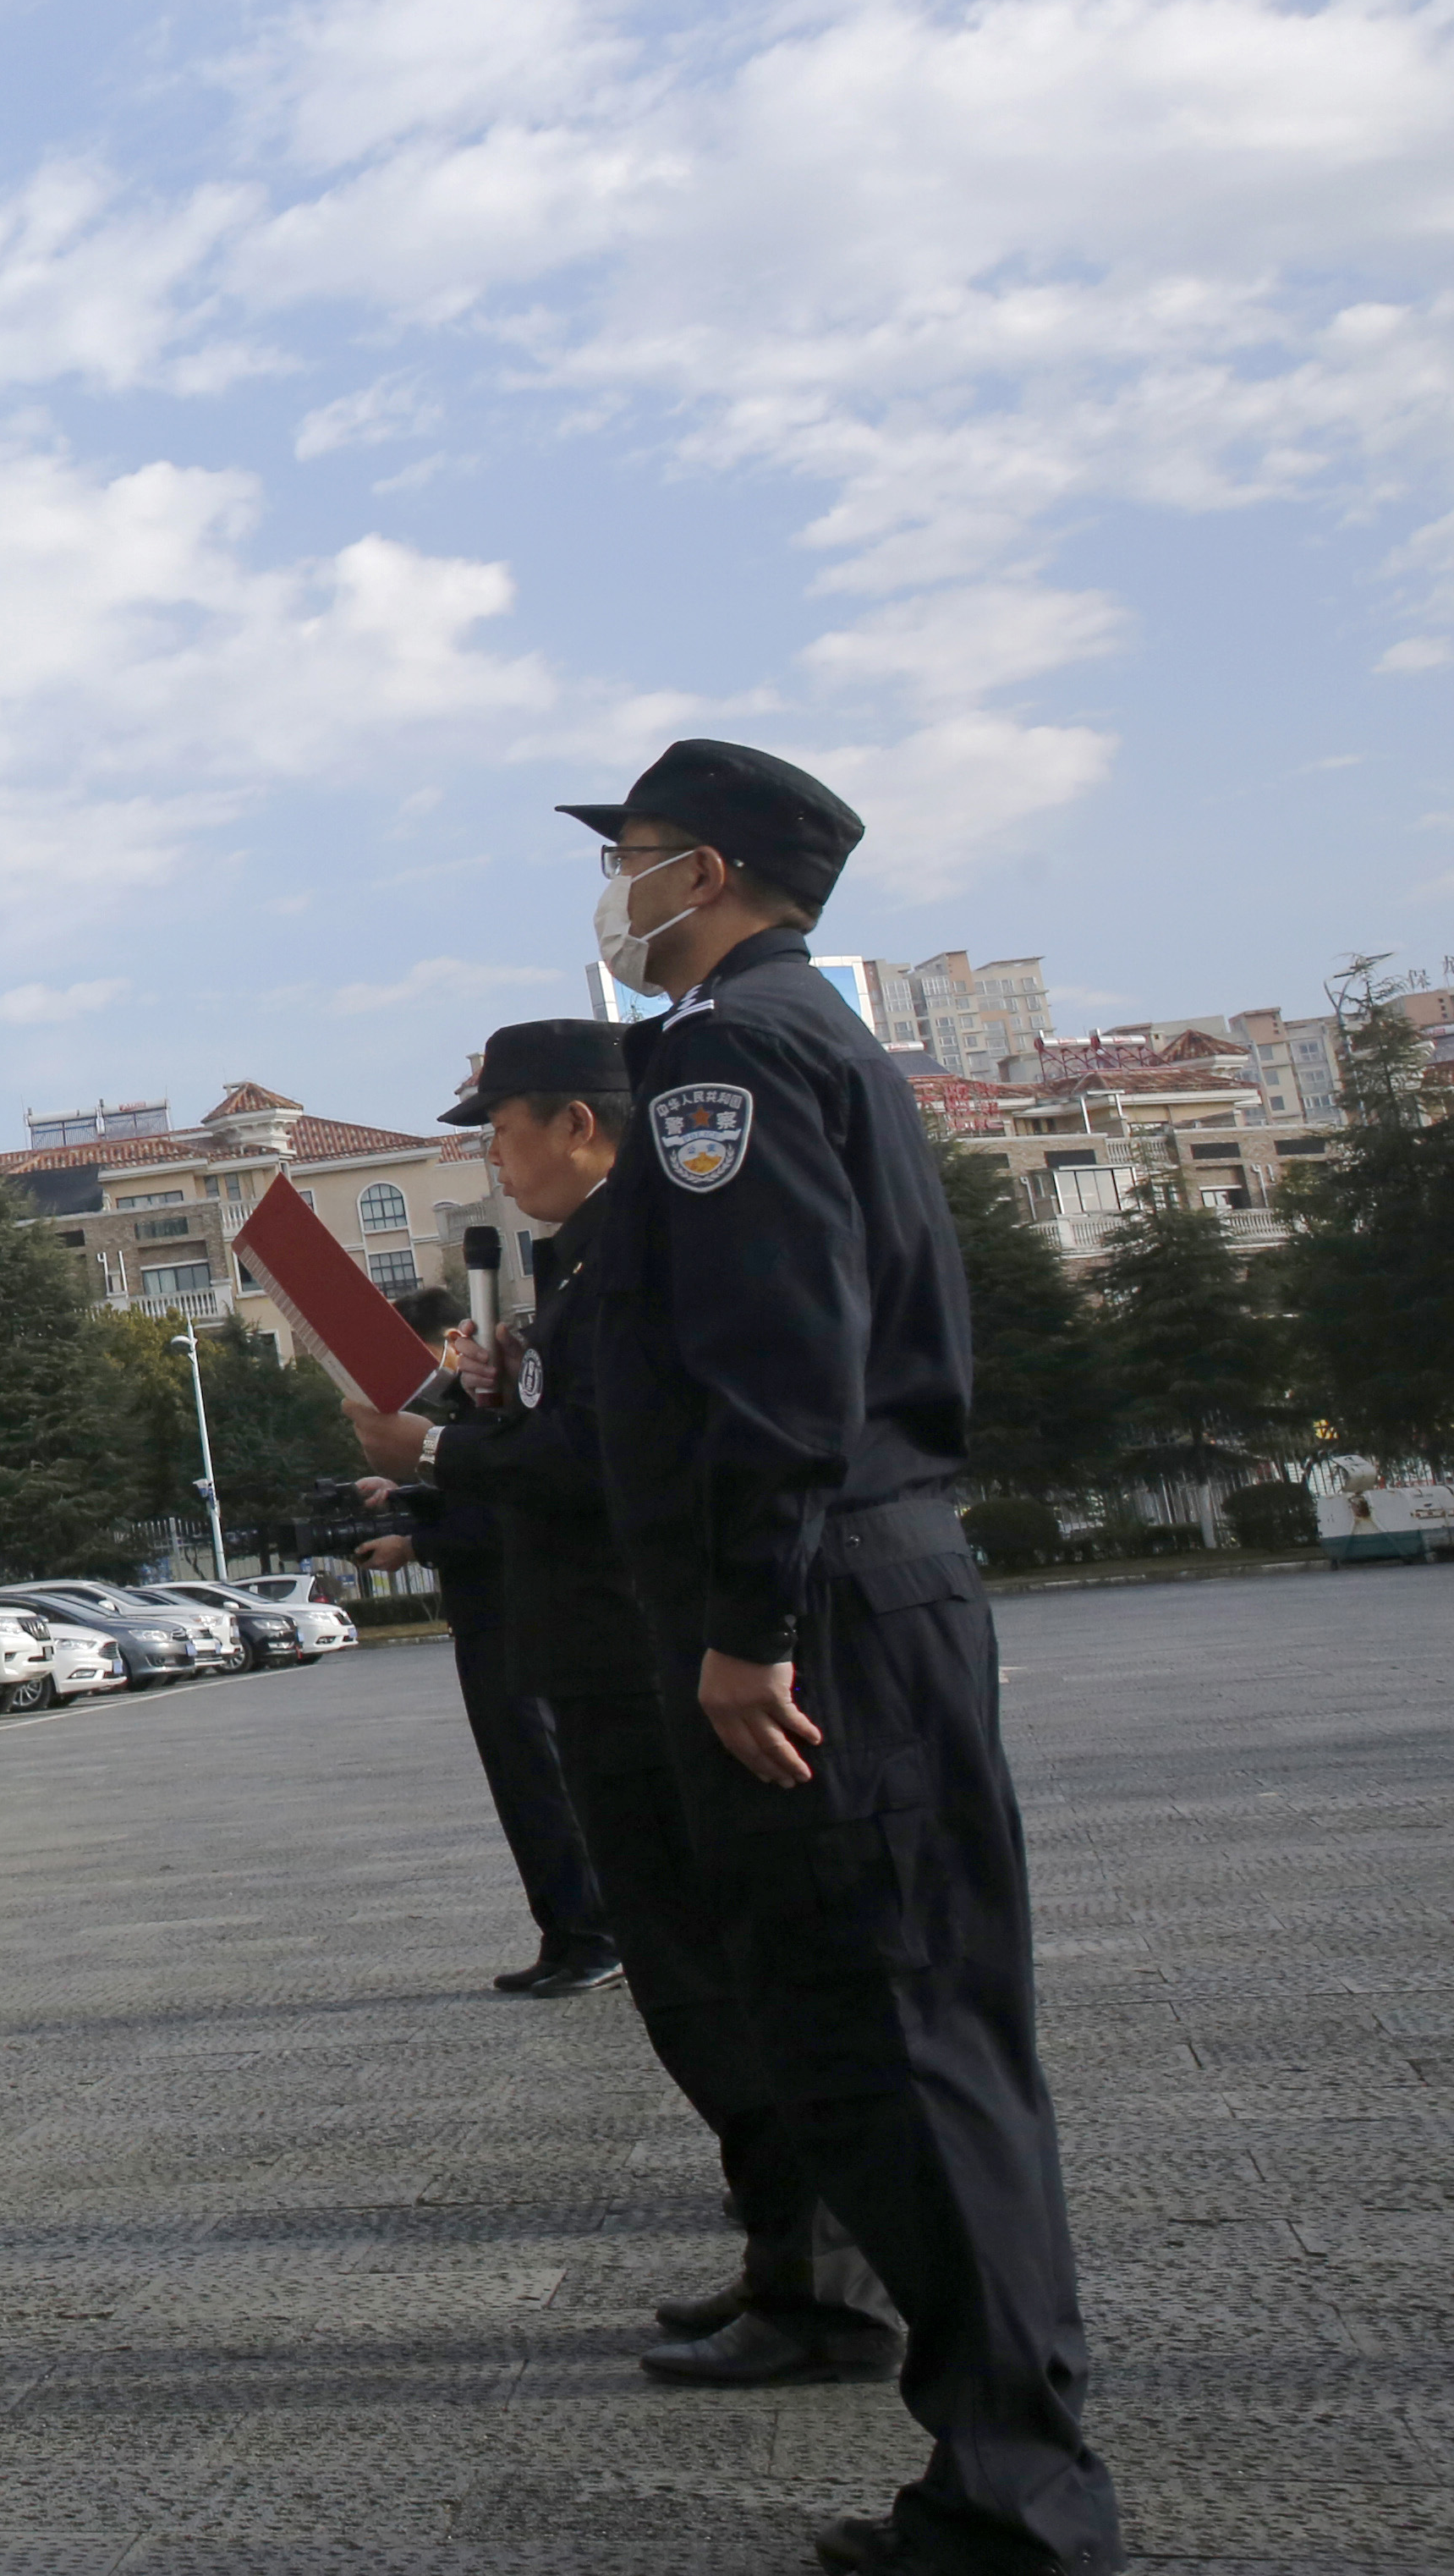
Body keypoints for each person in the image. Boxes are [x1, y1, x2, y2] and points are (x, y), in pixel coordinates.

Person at [565, 738, 1123, 2576]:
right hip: (875, 1593)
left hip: (814, 1625)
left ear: (703, 870)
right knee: (934, 2041)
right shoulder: (811, 1041)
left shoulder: (728, 1054)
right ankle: (1007, 2471)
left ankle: (1020, 2504)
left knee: (889, 2041)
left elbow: (779, 1367)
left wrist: (744, 1630)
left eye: (631, 858)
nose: (615, 893)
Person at [399, 1019, 899, 2394]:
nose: (492, 1162)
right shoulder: (585, 1260)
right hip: (614, 1659)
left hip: (649, 1658)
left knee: (729, 1981)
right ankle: (785, 2260)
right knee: (691, 1981)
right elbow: (584, 1430)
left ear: (577, 1121)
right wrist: (499, 1405)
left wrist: (441, 1445)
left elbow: (611, 1462)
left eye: (499, 1132)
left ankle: (826, 2284)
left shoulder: (640, 1243)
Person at [354, 1278, 617, 2001]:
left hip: (519, 1615)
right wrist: (409, 1498)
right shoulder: (463, 1411)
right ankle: (564, 1934)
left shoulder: (497, 1405)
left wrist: (415, 1543)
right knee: (520, 1787)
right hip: (486, 1618)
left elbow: (509, 1513)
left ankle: (596, 1933)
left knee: (543, 1780)